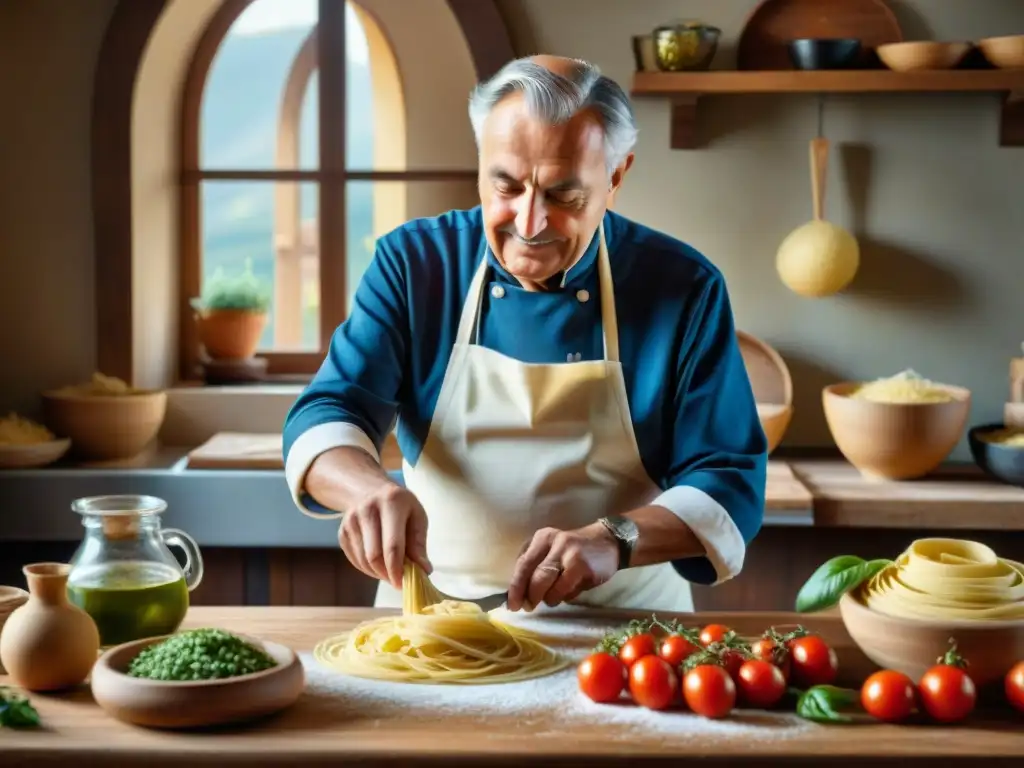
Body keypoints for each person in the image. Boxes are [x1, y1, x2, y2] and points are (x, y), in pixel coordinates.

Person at [282, 54, 767, 614]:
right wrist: (367, 490)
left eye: (563, 196)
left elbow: (727, 478)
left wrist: (617, 538)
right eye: (505, 186)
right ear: (481, 163)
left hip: (622, 628)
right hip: (429, 622)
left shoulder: (683, 287)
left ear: (616, 176)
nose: (529, 223)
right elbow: (328, 411)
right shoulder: (415, 265)